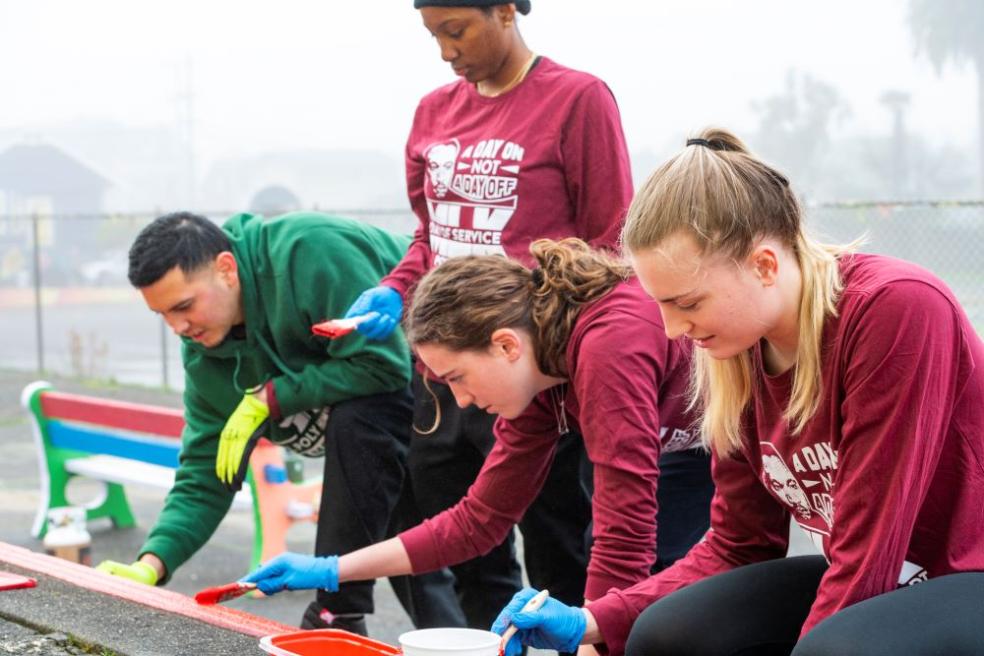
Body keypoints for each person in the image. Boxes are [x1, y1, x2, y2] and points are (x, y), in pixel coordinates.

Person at [487, 129, 984, 656]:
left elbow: (870, 551)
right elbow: (738, 544)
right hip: (880, 575)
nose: (674, 329)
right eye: (661, 305)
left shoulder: (895, 309)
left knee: (832, 651)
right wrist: (593, 622)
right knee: (663, 634)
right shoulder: (740, 349)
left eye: (689, 303)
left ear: (764, 265)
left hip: (965, 570)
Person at [342, 0, 641, 629]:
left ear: (505, 11)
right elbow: (429, 235)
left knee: (560, 543)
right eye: (433, 36)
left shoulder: (576, 99)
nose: (446, 51)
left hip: (532, 369)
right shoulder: (432, 111)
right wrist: (396, 290)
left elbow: (611, 241)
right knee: (472, 547)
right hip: (449, 371)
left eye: (456, 30)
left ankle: (586, 639)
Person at [240, 238, 713, 617]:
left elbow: (624, 534)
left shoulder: (607, 346)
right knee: (637, 604)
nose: (462, 401)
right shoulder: (541, 379)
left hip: (751, 434)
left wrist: (593, 636)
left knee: (660, 604)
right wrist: (330, 570)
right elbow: (477, 521)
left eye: (457, 379)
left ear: (505, 345)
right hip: (691, 446)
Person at [96, 211, 464, 635]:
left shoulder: (309, 254)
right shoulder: (203, 356)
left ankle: (336, 613)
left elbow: (383, 368)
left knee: (473, 560)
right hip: (386, 431)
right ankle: (351, 620)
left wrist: (270, 397)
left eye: (183, 306)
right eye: (162, 314)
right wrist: (151, 563)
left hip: (453, 381)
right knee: (414, 559)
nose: (177, 327)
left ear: (226, 269)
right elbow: (206, 472)